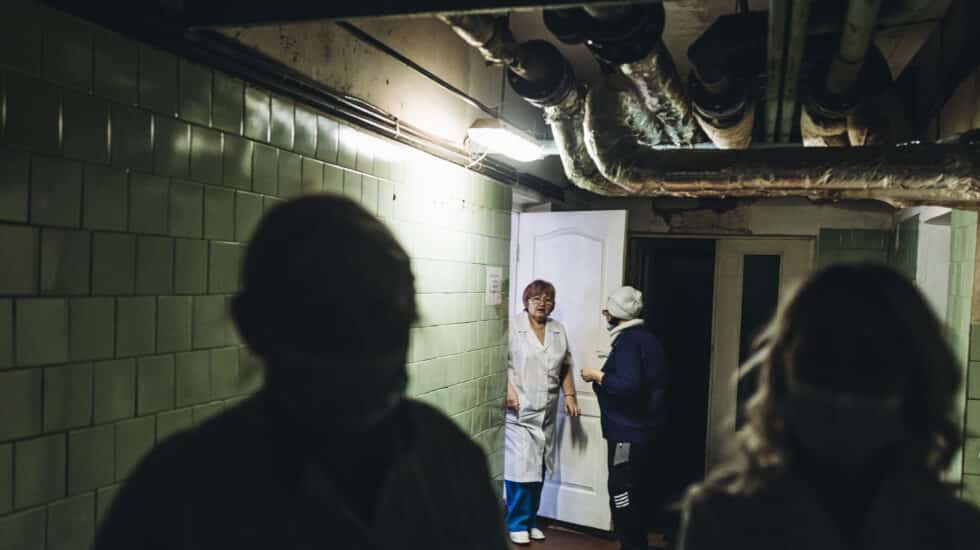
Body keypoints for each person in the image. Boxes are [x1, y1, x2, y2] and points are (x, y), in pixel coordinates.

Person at [94, 195, 509, 550]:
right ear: (254, 326)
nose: (363, 348)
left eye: (382, 317)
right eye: (329, 322)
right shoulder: (177, 496)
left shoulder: (452, 463)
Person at [677, 263, 980, 550]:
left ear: (918, 385)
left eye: (869, 370)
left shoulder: (958, 533)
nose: (842, 392)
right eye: (820, 365)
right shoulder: (721, 520)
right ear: (782, 375)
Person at [581, 285, 668, 550]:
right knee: (634, 490)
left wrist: (597, 376)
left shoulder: (630, 342)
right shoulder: (646, 338)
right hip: (643, 430)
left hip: (627, 433)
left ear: (616, 313)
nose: (605, 315)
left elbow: (628, 387)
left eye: (607, 310)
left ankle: (632, 546)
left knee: (621, 493)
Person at [504, 279, 581, 545]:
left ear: (553, 304)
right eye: (536, 298)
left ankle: (530, 520)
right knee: (520, 469)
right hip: (519, 408)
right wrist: (508, 390)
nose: (541, 303)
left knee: (539, 467)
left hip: (547, 408)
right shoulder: (512, 326)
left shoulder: (558, 329)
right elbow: (498, 361)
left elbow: (565, 366)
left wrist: (570, 395)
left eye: (547, 299)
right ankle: (516, 522)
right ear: (526, 301)